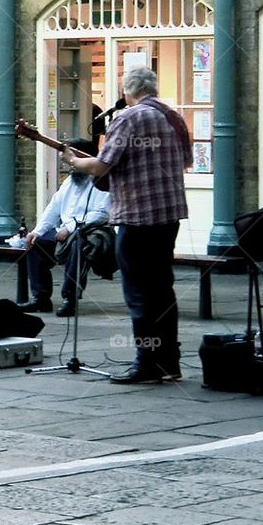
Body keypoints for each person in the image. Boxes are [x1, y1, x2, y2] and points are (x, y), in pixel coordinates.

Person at [65, 66, 191, 384]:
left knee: (138, 293)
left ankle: (146, 361)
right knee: (162, 290)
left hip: (137, 216)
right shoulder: (174, 118)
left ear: (127, 92)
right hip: (168, 216)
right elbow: (186, 160)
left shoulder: (128, 117)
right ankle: (169, 361)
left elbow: (102, 164)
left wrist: (74, 161)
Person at [19, 138, 110, 317]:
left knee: (78, 245)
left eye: (73, 159)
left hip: (90, 233)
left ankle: (70, 298)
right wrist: (37, 231)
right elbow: (53, 208)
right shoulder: (69, 182)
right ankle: (41, 298)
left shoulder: (102, 182)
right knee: (36, 244)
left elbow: (101, 213)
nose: (71, 165)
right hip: (64, 232)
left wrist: (70, 228)